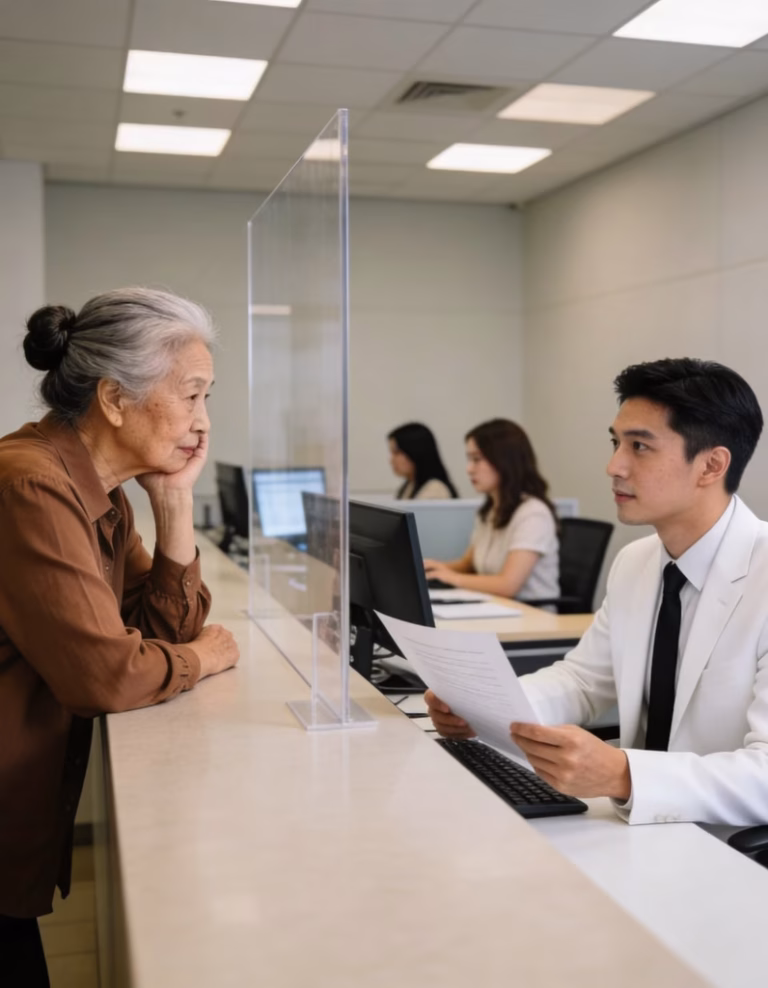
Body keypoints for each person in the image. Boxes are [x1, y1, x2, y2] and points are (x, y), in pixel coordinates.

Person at [0, 287, 240, 986]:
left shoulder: (98, 491)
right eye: (191, 395)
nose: (203, 421)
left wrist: (172, 502)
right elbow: (106, 675)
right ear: (113, 399)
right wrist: (201, 659)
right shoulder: (31, 485)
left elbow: (159, 627)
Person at [426, 358, 768, 827]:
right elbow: (583, 682)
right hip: (635, 826)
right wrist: (484, 710)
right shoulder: (637, 562)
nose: (614, 466)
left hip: (726, 848)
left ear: (711, 465)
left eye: (640, 447)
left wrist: (625, 774)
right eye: (615, 442)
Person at [423, 418, 559, 602]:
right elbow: (467, 563)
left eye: (477, 459)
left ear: (504, 460)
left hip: (531, 615)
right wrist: (434, 568)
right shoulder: (490, 510)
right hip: (496, 607)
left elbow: (508, 585)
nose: (469, 469)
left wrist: (451, 578)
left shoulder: (533, 513)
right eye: (469, 459)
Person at [388, 422, 458, 500]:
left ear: (415, 451)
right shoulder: (410, 485)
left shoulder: (435, 490)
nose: (391, 460)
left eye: (396, 452)